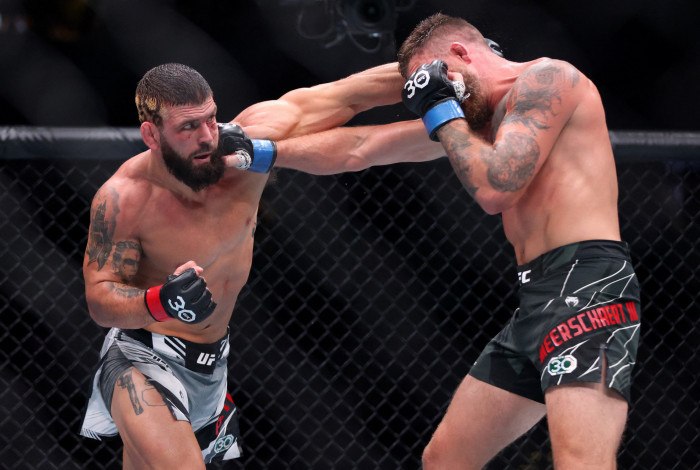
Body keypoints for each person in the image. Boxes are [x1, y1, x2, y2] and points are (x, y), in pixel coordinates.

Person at [79, 62, 444, 468]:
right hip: (140, 360)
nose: (206, 137)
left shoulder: (246, 150)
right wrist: (161, 301)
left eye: (211, 119)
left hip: (211, 366)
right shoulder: (125, 198)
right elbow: (100, 298)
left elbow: (347, 96)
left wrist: (445, 72)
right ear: (151, 135)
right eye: (188, 127)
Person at [394, 13, 642, 469]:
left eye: (433, 77)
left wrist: (439, 106)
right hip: (535, 298)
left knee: (581, 462)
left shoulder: (548, 79)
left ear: (461, 53)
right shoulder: (487, 123)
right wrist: (269, 150)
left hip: (587, 286)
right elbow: (362, 148)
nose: (435, 94)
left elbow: (496, 188)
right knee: (444, 459)